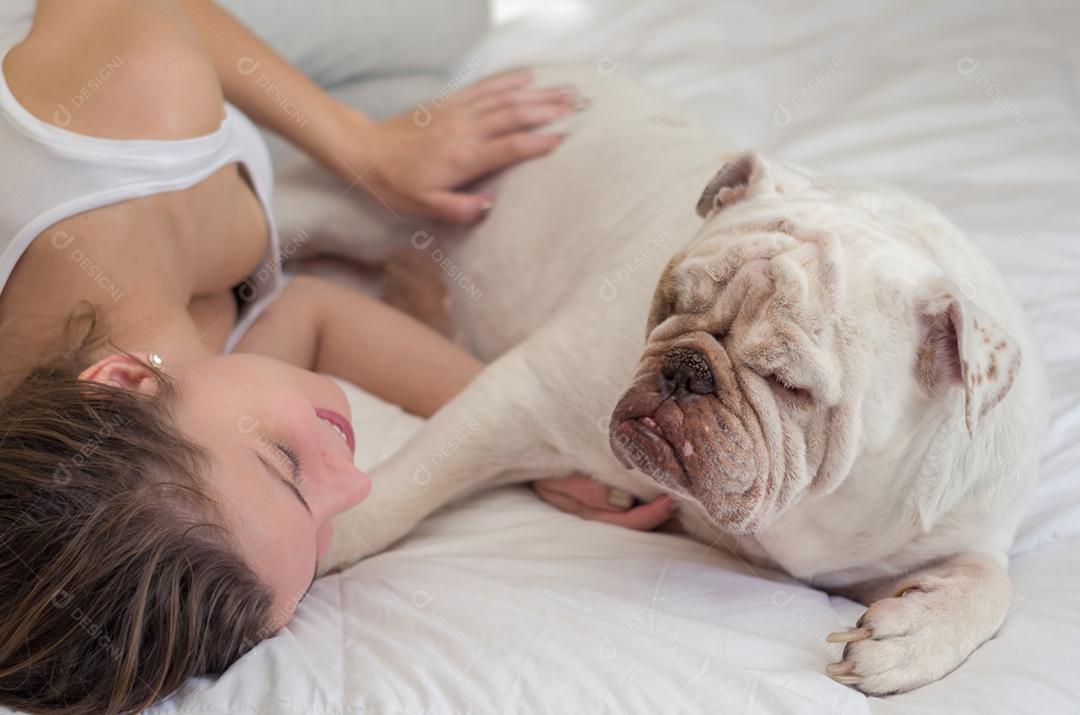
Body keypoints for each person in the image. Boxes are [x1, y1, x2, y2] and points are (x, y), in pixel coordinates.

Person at [0, 2, 672, 712]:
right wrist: (528, 437)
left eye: (290, 466)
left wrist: (367, 150)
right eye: (323, 534)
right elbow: (310, 312)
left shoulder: (127, 98)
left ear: (123, 384)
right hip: (243, 146)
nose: (353, 484)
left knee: (449, 21)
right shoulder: (153, 425)